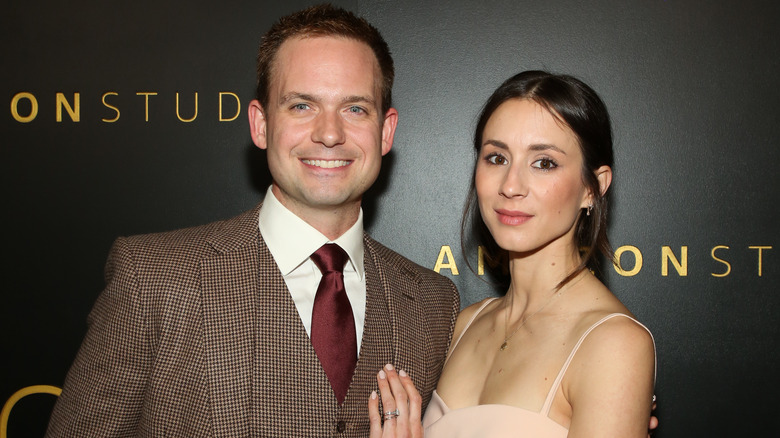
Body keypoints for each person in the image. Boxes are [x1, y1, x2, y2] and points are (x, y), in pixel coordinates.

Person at [45, 5, 460, 437]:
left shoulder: (432, 304)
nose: (330, 133)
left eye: (355, 109)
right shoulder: (151, 278)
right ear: (261, 124)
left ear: (385, 132)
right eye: (302, 105)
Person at [369, 70, 657, 437]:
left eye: (544, 163)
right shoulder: (465, 324)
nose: (510, 185)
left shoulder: (614, 344)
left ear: (592, 187)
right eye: (496, 158)